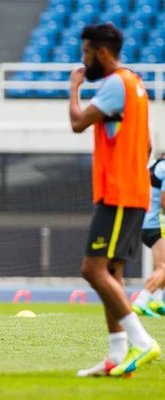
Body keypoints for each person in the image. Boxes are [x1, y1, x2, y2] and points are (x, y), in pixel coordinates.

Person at [68, 24, 160, 377]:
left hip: (119, 193)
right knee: (112, 275)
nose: (83, 59)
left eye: (86, 51)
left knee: (91, 268)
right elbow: (148, 146)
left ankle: (141, 341)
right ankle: (116, 357)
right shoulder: (136, 84)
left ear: (102, 52)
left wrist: (74, 88)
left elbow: (78, 122)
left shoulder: (115, 84)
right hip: (132, 191)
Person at [132, 152, 165, 317]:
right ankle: (141, 301)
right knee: (164, 267)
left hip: (143, 220)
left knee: (161, 265)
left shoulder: (152, 165)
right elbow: (164, 201)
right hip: (157, 223)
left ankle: (157, 301)